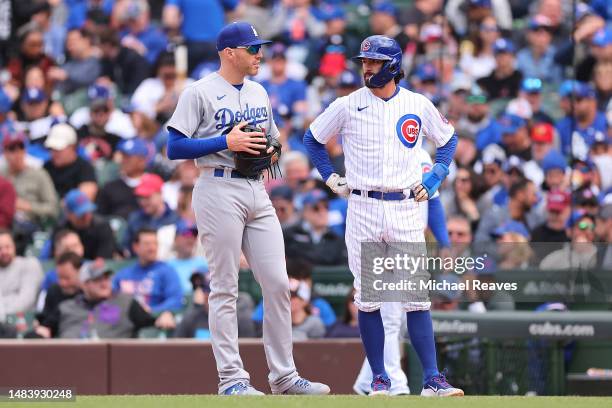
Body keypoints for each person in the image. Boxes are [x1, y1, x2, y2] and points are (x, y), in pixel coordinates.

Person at [165, 21, 329, 396]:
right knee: (224, 287)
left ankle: (284, 378)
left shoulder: (258, 92)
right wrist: (225, 139)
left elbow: (271, 139)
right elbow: (174, 147)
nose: (260, 54)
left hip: (257, 189)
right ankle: (232, 380)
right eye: (252, 48)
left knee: (277, 284)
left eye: (260, 48)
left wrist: (272, 149)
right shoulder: (199, 92)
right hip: (217, 186)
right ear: (229, 53)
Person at [304, 35, 463, 396]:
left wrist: (438, 172)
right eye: (364, 61)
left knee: (416, 297)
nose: (367, 67)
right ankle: (380, 378)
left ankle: (432, 380)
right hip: (364, 204)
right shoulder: (346, 104)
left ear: (392, 65)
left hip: (407, 204)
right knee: (369, 296)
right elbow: (312, 139)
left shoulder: (417, 103)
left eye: (374, 61)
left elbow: (448, 139)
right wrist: (329, 175)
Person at [50, 259, 175, 339]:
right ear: (84, 284)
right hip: (70, 363)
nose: (104, 283)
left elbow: (153, 321)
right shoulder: (65, 307)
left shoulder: (125, 302)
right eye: (98, 280)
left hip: (112, 365)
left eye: (106, 278)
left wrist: (165, 315)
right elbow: (45, 329)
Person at [113, 228, 183, 315]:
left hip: (152, 321)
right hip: (124, 322)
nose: (152, 248)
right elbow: (110, 300)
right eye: (147, 244)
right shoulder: (123, 274)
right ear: (135, 247)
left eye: (155, 244)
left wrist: (153, 310)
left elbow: (175, 300)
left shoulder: (167, 272)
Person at [283, 189, 348, 266]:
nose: (322, 212)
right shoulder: (290, 234)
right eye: (316, 208)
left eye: (326, 207)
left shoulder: (337, 239)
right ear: (305, 211)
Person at [29, 251, 83, 338]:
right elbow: (46, 320)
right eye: (60, 277)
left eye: (67, 278)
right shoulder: (54, 290)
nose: (62, 283)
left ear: (80, 272)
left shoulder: (88, 294)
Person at [53, 189, 116, 260]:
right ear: (69, 214)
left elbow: (104, 260)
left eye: (88, 211)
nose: (86, 216)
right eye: (81, 215)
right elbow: (56, 259)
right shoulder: (61, 229)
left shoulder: (102, 227)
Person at [43, 123, 97, 200]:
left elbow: (84, 199)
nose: (54, 153)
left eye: (58, 149)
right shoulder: (47, 167)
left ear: (72, 147)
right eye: (51, 149)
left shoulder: (84, 168)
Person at [0, 229, 44, 316]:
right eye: (0, 248)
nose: (4, 252)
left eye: (7, 247)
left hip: (25, 321)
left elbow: (25, 303)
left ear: (14, 246)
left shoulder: (30, 265)